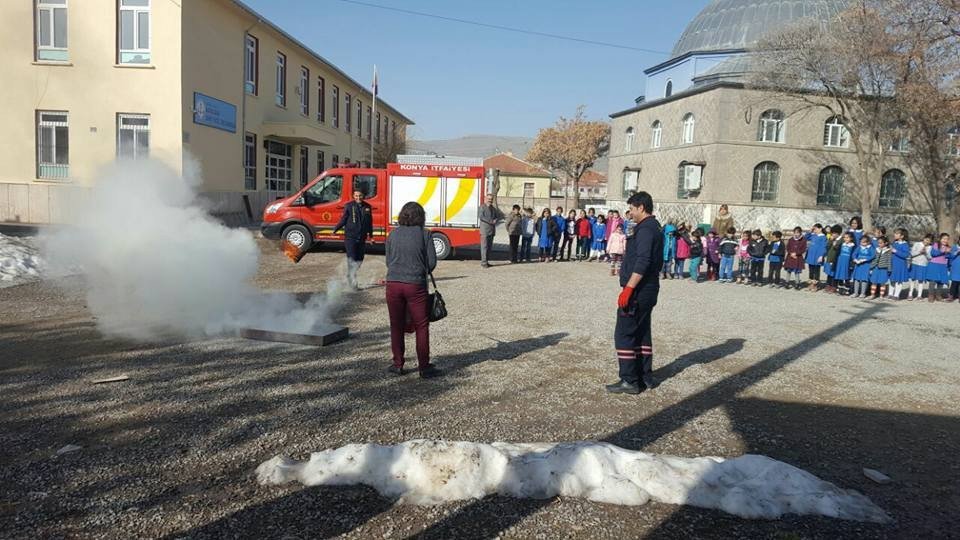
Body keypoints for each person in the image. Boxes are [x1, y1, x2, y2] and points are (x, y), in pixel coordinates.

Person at [607, 191, 663, 395]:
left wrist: (629, 288)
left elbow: (643, 261)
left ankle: (629, 380)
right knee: (641, 332)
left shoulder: (646, 229)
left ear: (641, 207)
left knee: (625, 333)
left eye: (631, 209)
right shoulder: (652, 227)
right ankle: (644, 376)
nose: (630, 213)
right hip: (647, 289)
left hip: (639, 290)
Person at [384, 202, 439, 378]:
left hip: (393, 283)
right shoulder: (425, 235)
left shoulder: (392, 234)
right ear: (421, 216)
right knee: (421, 325)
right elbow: (431, 263)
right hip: (415, 284)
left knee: (396, 325)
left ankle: (398, 364)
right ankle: (424, 367)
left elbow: (388, 260)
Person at [332, 188, 374, 290]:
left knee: (360, 259)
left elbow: (370, 223)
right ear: (353, 196)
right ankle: (352, 283)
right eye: (356, 196)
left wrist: (371, 236)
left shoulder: (367, 207)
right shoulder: (349, 206)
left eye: (360, 196)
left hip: (362, 238)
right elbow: (343, 219)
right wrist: (335, 230)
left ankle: (351, 275)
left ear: (363, 196)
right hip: (350, 237)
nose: (358, 198)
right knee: (352, 259)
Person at [478, 195, 504, 268]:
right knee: (484, 247)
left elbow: (498, 216)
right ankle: (483, 263)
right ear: (485, 199)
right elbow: (481, 217)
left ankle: (487, 261)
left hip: (492, 231)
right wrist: (491, 221)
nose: (490, 200)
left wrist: (496, 219)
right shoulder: (482, 207)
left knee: (489, 248)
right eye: (489, 199)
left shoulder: (493, 208)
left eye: (491, 199)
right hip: (484, 231)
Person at [927, 233, 952, 302]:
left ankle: (938, 295)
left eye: (947, 239)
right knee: (933, 281)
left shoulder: (948, 247)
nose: (945, 240)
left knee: (941, 282)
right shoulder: (936, 245)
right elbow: (933, 253)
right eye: (944, 238)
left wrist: (949, 253)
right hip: (934, 265)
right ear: (940, 239)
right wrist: (942, 251)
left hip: (943, 265)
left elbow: (949, 257)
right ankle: (931, 295)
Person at [906, 233, 932, 300]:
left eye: (929, 241)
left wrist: (926, 253)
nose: (927, 242)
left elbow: (930, 258)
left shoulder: (930, 247)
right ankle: (910, 294)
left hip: (923, 265)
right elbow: (911, 253)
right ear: (924, 238)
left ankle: (919, 295)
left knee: (921, 280)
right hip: (914, 264)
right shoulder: (917, 244)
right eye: (926, 239)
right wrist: (919, 252)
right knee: (912, 279)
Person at [850, 234, 876, 298]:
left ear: (868, 242)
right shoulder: (859, 247)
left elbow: (873, 255)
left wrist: (865, 259)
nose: (862, 243)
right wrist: (855, 259)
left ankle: (863, 293)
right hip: (858, 265)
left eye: (864, 242)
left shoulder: (870, 248)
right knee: (856, 279)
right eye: (861, 242)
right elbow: (854, 254)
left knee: (864, 279)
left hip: (866, 265)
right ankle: (855, 292)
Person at [889, 228, 910, 300]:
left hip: (900, 265)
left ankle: (896, 295)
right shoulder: (894, 243)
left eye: (897, 234)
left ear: (902, 236)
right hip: (893, 264)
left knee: (899, 280)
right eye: (895, 233)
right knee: (892, 279)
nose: (895, 235)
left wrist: (895, 251)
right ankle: (890, 294)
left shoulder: (905, 244)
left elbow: (906, 255)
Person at [804, 224, 827, 291]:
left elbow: (824, 247)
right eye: (814, 229)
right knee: (811, 270)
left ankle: (815, 285)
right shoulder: (813, 235)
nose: (815, 230)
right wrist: (810, 231)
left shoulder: (823, 237)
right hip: (811, 256)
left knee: (816, 271)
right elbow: (805, 237)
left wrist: (821, 256)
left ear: (820, 229)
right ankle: (810, 284)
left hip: (817, 256)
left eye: (816, 229)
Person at [823, 225, 845, 293]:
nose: (833, 235)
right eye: (832, 233)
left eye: (835, 233)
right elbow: (827, 247)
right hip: (830, 258)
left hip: (836, 259)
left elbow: (838, 249)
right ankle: (828, 285)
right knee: (829, 272)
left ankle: (834, 286)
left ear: (839, 233)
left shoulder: (841, 240)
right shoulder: (831, 239)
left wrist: (835, 245)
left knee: (834, 273)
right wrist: (830, 241)